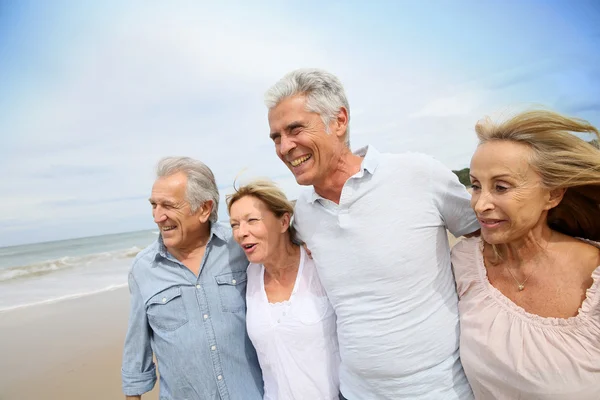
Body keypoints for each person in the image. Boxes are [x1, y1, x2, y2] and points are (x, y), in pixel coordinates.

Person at [264, 68, 479, 399]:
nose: (284, 147)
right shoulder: (303, 214)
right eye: (276, 137)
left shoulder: (418, 174)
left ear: (339, 121)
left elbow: (491, 233)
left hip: (439, 390)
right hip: (355, 392)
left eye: (295, 129)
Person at [451, 110, 600, 399]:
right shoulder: (465, 262)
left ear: (553, 195)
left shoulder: (594, 276)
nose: (480, 204)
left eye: (501, 187)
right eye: (476, 186)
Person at [121, 157, 263, 400]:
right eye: (154, 205)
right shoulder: (143, 269)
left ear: (204, 209)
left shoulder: (241, 247)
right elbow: (136, 360)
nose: (157, 217)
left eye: (168, 206)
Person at [227, 179, 340, 400]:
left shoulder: (318, 264)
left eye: (252, 220)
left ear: (283, 222)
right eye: (234, 225)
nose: (241, 232)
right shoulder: (249, 275)